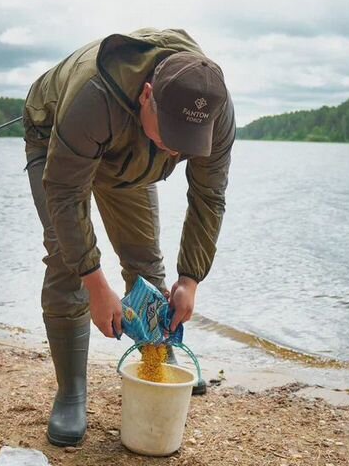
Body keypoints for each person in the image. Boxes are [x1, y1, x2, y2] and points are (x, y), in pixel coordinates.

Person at [22, 28, 235, 447]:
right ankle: (71, 393)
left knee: (143, 256)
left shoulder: (215, 108)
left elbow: (209, 197)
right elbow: (65, 196)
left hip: (130, 149)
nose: (176, 153)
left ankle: (157, 357)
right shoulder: (93, 94)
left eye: (186, 144)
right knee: (68, 261)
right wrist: (95, 282)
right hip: (58, 137)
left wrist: (190, 280)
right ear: (147, 95)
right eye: (170, 137)